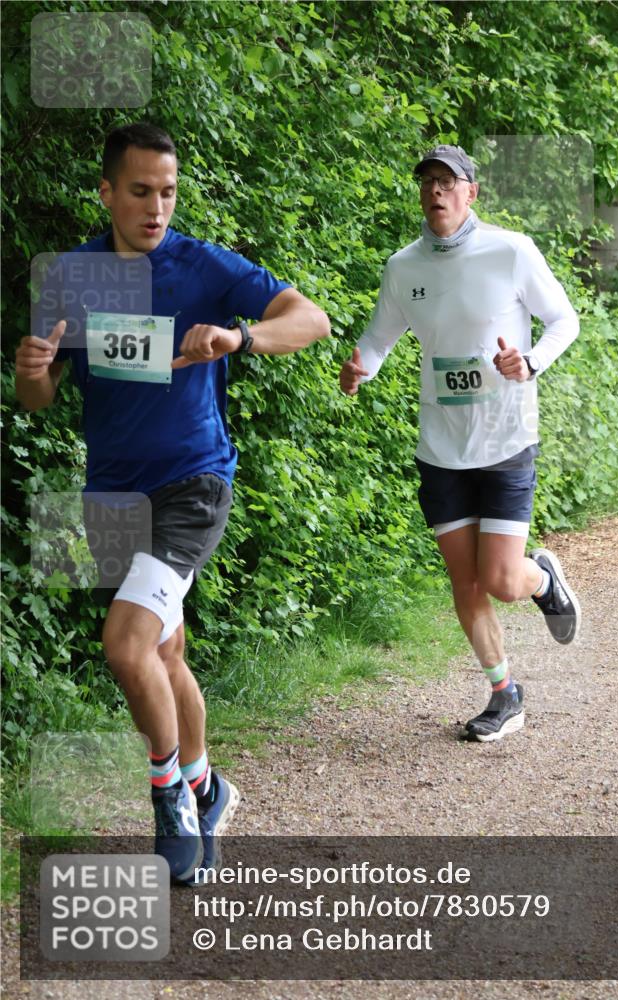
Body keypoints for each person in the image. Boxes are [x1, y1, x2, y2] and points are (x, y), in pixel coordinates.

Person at [15, 122, 330, 881]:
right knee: (162, 654)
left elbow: (310, 319)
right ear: (106, 193)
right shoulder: (71, 276)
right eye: (140, 191)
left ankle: (170, 801)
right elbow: (39, 399)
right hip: (111, 495)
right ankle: (209, 786)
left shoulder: (202, 265)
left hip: (193, 482)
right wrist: (31, 371)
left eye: (168, 192)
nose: (156, 207)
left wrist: (239, 339)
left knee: (126, 646)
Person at [339, 144, 581, 743]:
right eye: (427, 181)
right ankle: (505, 694)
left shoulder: (511, 251)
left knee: (501, 579)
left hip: (505, 439)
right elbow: (380, 335)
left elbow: (564, 321)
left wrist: (528, 361)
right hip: (441, 448)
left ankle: (543, 580)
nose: (436, 191)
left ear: (471, 192)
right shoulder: (405, 267)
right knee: (465, 583)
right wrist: (359, 367)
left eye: (448, 182)